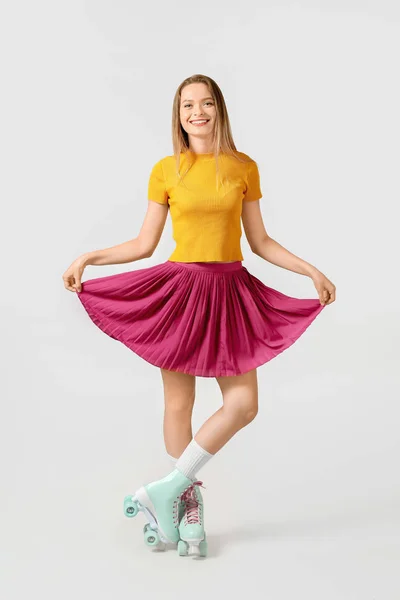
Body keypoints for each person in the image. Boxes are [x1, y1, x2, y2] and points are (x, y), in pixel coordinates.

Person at [62, 74, 336, 558]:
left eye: (205, 103)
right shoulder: (167, 170)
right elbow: (144, 244)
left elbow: (260, 242)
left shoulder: (243, 167)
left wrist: (309, 270)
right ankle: (187, 510)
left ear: (218, 109)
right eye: (188, 105)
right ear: (178, 114)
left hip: (231, 290)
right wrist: (89, 258)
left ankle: (165, 489)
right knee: (177, 405)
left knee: (243, 404)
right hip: (182, 291)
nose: (197, 113)